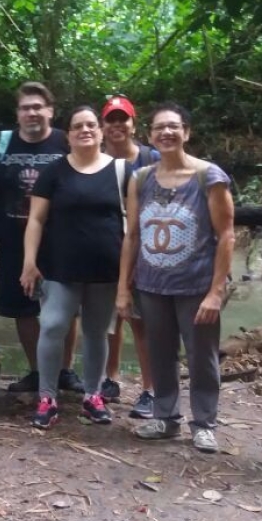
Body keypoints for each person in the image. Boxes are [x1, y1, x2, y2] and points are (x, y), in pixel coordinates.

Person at [118, 103, 234, 454]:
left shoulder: (208, 176)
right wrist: (123, 287)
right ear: (149, 135)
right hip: (152, 284)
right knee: (159, 352)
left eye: (173, 127)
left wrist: (216, 291)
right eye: (159, 128)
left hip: (196, 285)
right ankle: (165, 416)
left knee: (202, 355)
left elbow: (227, 235)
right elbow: (133, 234)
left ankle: (204, 423)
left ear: (186, 131)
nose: (166, 133)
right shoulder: (141, 178)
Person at [21, 106, 128, 430]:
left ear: (101, 131)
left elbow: (132, 225)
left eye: (91, 125)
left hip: (105, 268)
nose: (85, 130)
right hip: (59, 267)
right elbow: (36, 219)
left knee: (97, 332)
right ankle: (47, 397)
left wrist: (128, 273)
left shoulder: (121, 171)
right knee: (53, 326)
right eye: (78, 126)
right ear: (68, 135)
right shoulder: (54, 172)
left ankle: (93, 395)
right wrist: (29, 262)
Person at [0, 81, 81, 396]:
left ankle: (63, 370)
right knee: (22, 307)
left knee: (66, 308)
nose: (32, 113)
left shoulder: (66, 142)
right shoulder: (2, 144)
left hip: (60, 241)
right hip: (13, 241)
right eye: (25, 108)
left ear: (50, 111)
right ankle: (39, 371)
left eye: (38, 107)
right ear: (17, 113)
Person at [100, 94, 159, 416]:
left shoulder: (149, 159)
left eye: (123, 119)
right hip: (105, 246)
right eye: (111, 119)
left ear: (134, 123)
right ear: (103, 125)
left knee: (140, 320)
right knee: (108, 319)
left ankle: (150, 389)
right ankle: (110, 378)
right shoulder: (95, 159)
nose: (117, 125)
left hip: (142, 248)